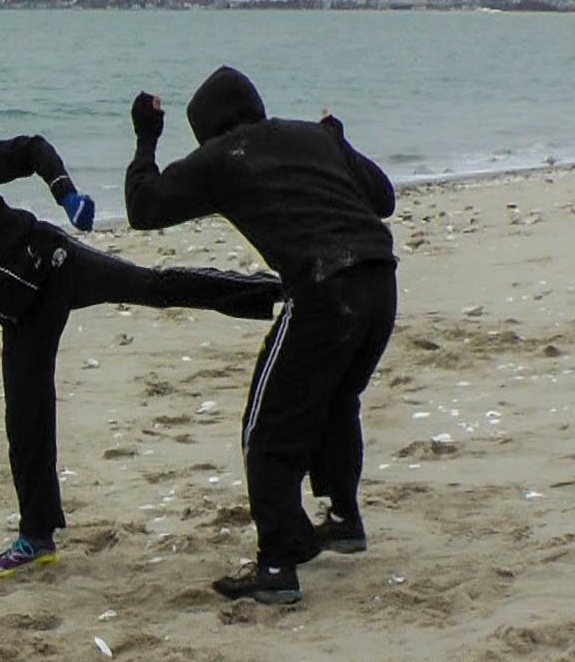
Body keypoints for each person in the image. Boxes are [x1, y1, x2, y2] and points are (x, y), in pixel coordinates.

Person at [0, 136, 282, 578]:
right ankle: (37, 538)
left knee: (151, 287)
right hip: (21, 314)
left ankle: (272, 295)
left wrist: (66, 194)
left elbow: (31, 150)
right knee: (25, 421)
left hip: (57, 265)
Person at [124, 67, 397, 604]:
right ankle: (343, 518)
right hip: (380, 280)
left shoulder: (226, 155)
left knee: (265, 428)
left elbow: (143, 207)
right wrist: (342, 142)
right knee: (337, 400)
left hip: (323, 290)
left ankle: (277, 565)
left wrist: (145, 137)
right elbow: (382, 198)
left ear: (208, 129)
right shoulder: (315, 137)